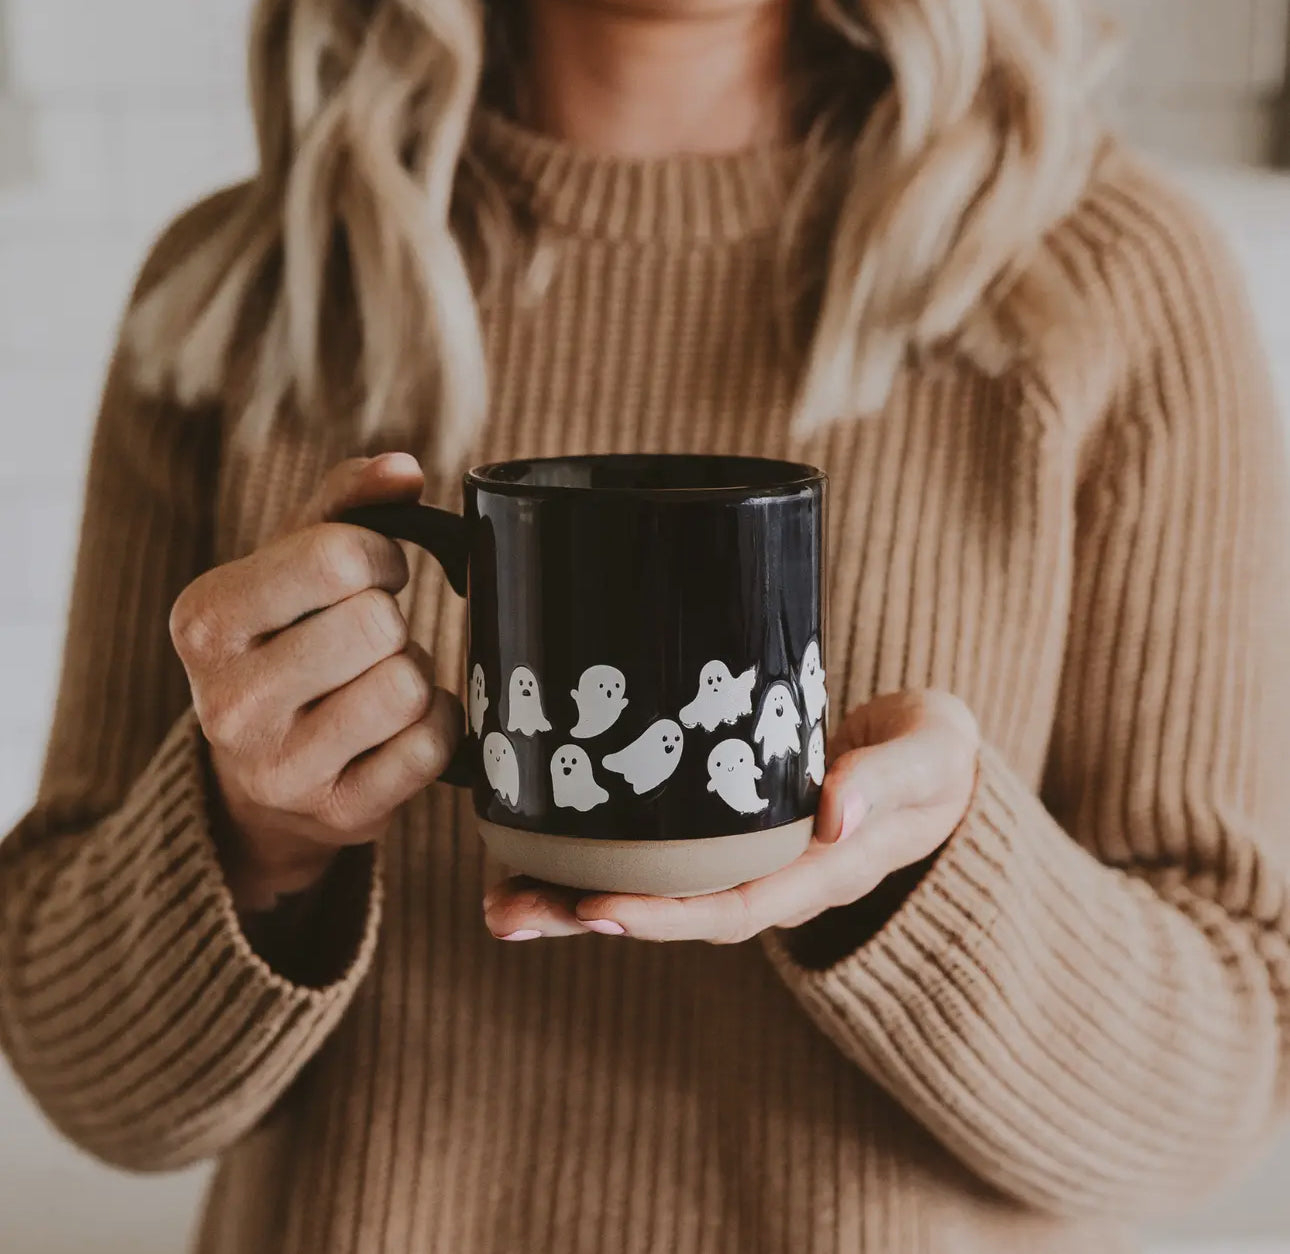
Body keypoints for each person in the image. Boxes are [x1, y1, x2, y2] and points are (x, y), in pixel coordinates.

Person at [2, 0, 1288, 1251]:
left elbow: (1226, 1083)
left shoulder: (1114, 282)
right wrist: (252, 840)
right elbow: (89, 1084)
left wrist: (925, 873)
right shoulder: (240, 296)